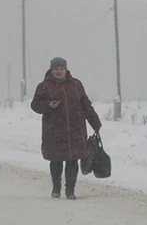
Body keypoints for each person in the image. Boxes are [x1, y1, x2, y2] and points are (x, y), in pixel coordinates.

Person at [30, 57, 102, 200]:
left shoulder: (76, 85)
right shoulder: (44, 86)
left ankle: (70, 191)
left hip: (75, 130)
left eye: (61, 69)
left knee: (72, 160)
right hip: (54, 130)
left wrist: (95, 122)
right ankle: (56, 188)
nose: (58, 71)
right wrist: (48, 105)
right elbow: (35, 105)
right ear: (51, 70)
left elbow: (86, 104)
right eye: (56, 69)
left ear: (66, 70)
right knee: (56, 161)